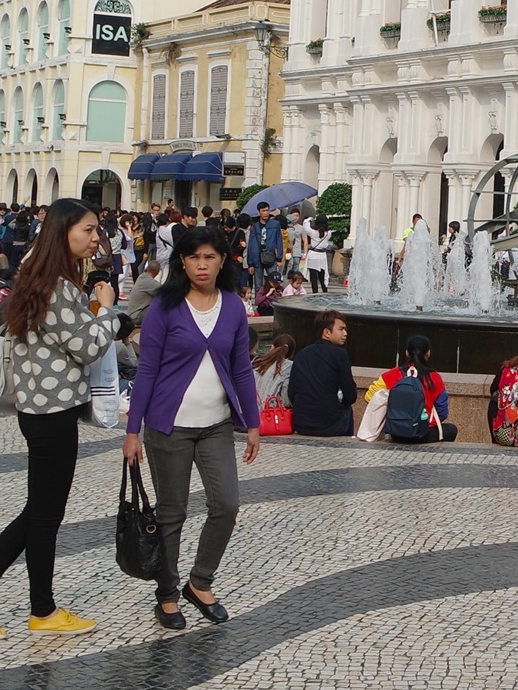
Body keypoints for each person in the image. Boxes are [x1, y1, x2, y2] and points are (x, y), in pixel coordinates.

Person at [0, 198, 119, 639]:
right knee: (43, 514)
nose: (94, 238)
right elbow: (88, 347)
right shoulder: (57, 287)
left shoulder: (37, 271)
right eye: (87, 229)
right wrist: (108, 309)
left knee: (43, 512)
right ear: (63, 232)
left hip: (40, 407)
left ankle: (37, 608)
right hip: (52, 411)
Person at [123, 226, 261, 630]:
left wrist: (252, 422)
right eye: (195, 256)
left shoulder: (233, 306)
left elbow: (240, 367)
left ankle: (199, 583)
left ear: (222, 261)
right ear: (182, 261)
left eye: (211, 257)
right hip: (169, 426)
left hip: (216, 425)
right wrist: (133, 431)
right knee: (172, 512)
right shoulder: (164, 308)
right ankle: (166, 593)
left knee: (227, 504)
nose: (203, 264)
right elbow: (146, 371)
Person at [377, 335, 459, 443]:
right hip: (422, 434)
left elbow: (370, 397)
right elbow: (442, 412)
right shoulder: (434, 378)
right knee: (451, 429)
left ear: (406, 353)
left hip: (395, 433)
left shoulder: (390, 375)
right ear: (428, 353)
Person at [289, 312, 359, 436]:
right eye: (341, 329)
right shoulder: (340, 355)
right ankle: (347, 447)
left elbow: (292, 393)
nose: (345, 333)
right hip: (330, 426)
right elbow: (350, 395)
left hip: (300, 424)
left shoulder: (301, 354)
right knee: (347, 409)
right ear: (326, 332)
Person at [252, 331, 296, 408]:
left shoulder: (257, 361)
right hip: (270, 413)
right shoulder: (289, 367)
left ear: (272, 347)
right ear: (291, 354)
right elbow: (285, 399)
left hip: (250, 409)